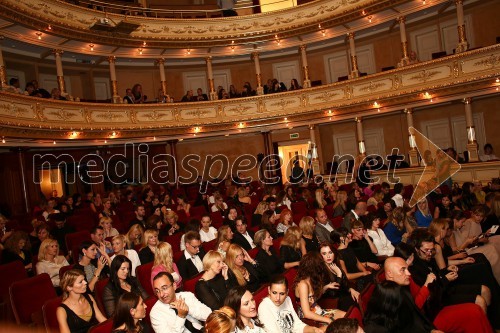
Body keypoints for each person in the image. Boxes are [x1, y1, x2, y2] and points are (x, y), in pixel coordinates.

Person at [258, 274, 324, 333]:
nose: (277, 298)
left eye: (282, 294)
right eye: (274, 293)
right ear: (269, 290)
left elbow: (297, 325)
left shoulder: (287, 299)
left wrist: (313, 330)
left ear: (287, 292)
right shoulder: (264, 307)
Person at [294, 252, 345, 326]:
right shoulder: (303, 284)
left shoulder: (312, 279)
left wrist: (326, 287)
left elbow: (313, 299)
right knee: (339, 326)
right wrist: (329, 320)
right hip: (310, 319)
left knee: (345, 315)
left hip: (318, 311)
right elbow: (307, 313)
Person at [363, 281, 435, 333]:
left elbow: (410, 323)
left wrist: (431, 330)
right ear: (390, 304)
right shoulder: (374, 329)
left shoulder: (392, 312)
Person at [319, 243, 359, 311]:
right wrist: (339, 274)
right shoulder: (321, 271)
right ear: (320, 256)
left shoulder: (335, 265)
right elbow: (334, 293)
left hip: (344, 297)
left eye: (330, 252)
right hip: (333, 302)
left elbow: (345, 284)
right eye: (324, 253)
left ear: (334, 253)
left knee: (359, 296)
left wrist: (351, 289)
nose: (328, 256)